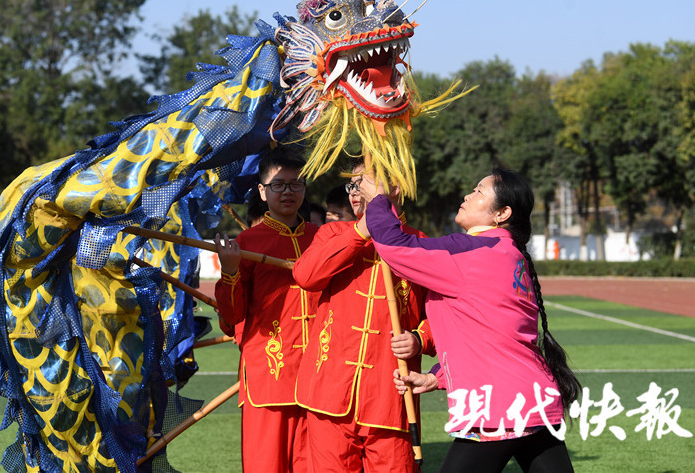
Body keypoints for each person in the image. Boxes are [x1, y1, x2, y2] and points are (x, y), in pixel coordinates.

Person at [362, 168, 580, 473]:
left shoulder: (473, 251)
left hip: (498, 405)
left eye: (479, 191)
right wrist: (436, 377)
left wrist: (378, 201)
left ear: (502, 213)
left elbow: (394, 248)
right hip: (531, 400)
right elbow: (495, 336)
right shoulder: (506, 252)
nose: (468, 195)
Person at [293, 163, 434, 473]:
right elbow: (305, 275)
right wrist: (361, 231)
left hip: (391, 395)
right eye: (351, 185)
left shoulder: (420, 242)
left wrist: (419, 339)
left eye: (362, 184)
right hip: (328, 391)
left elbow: (442, 318)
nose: (353, 191)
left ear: (395, 188)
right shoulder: (333, 232)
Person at [214, 147, 319, 472]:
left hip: (318, 374)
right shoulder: (247, 243)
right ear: (262, 191)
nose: (288, 191)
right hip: (269, 374)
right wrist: (230, 272)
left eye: (295, 184)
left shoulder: (324, 239)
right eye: (279, 184)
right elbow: (230, 320)